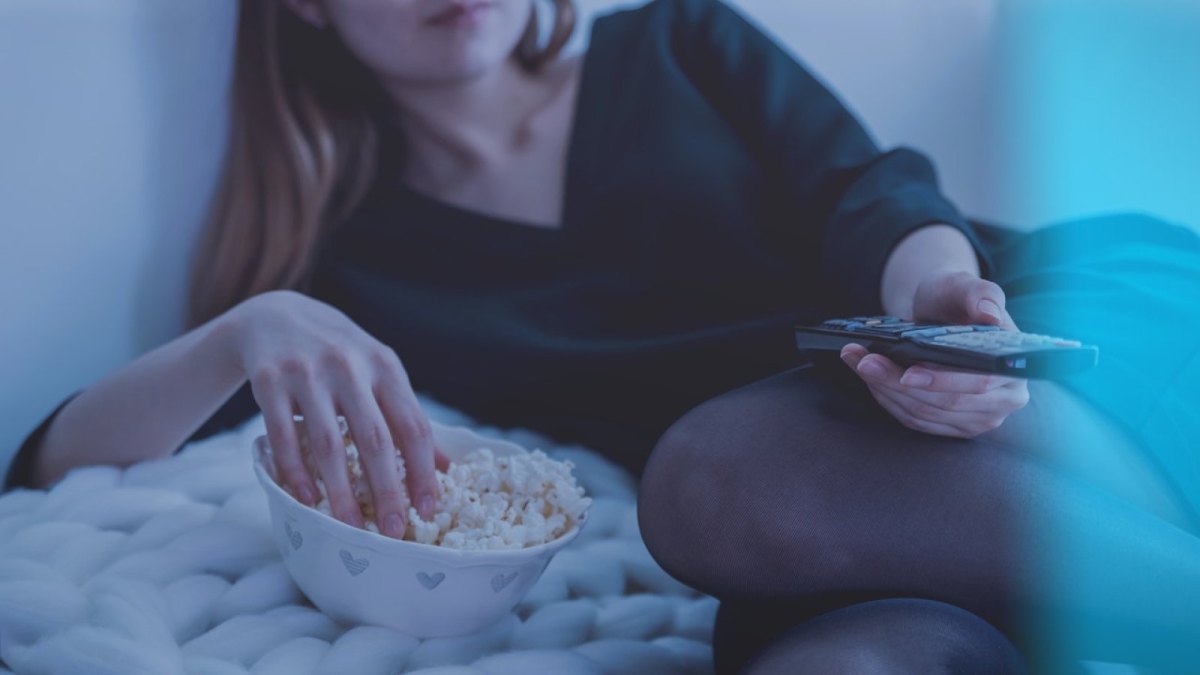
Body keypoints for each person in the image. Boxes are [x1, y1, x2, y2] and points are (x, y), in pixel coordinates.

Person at [6, 0, 1199, 672]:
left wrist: (948, 303)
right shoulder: (353, 269)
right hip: (805, 527)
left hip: (1031, 341)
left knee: (714, 476)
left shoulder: (675, 41)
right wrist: (247, 329)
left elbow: (873, 189)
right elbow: (49, 470)